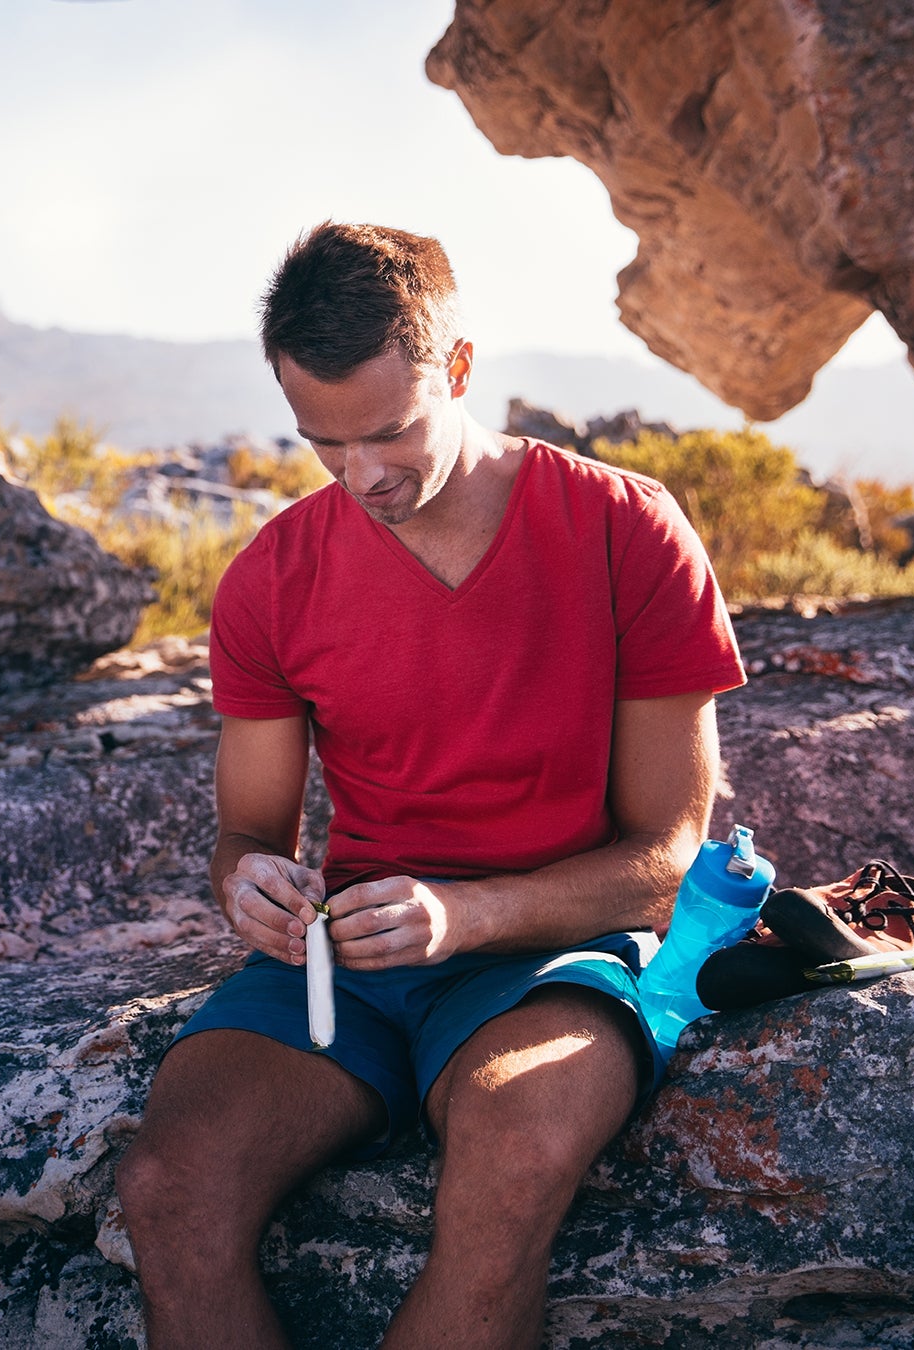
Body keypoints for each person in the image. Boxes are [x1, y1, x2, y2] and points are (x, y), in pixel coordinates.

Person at [113, 222, 747, 1350]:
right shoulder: (270, 577)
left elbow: (665, 854)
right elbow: (246, 828)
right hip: (350, 961)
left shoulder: (625, 530)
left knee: (520, 1155)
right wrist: (248, 882)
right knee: (171, 1186)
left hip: (548, 952)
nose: (363, 476)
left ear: (457, 369)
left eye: (391, 433)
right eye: (323, 443)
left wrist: (469, 914)